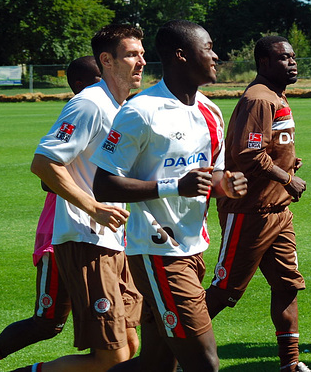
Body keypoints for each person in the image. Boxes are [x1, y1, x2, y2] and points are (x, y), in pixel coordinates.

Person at [91, 19, 247, 372]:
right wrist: (174, 186)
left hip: (194, 247)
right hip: (157, 251)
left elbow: (213, 174)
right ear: (181, 56)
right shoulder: (140, 111)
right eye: (207, 49)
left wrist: (227, 183)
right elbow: (103, 184)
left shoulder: (211, 110)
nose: (215, 56)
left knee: (156, 365)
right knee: (205, 363)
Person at [9, 24, 146, 372]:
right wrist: (93, 207)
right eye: (132, 54)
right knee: (110, 357)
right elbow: (43, 163)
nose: (141, 62)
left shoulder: (122, 107)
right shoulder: (88, 104)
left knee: (131, 344)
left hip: (115, 241)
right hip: (86, 239)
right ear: (107, 60)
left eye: (142, 54)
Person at [0, 56, 101, 372]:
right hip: (63, 233)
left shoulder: (110, 112)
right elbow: (46, 175)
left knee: (115, 323)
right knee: (48, 323)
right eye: (100, 75)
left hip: (101, 234)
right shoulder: (81, 111)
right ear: (80, 85)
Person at [204, 36, 311, 372]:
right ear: (264, 62)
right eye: (283, 58)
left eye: (293, 56)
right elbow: (248, 154)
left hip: (278, 212)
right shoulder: (258, 99)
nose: (292, 62)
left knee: (287, 285)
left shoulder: (276, 96)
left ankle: (290, 365)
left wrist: (289, 163)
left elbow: (271, 146)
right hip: (250, 212)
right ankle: (165, 353)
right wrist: (286, 178)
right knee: (225, 292)